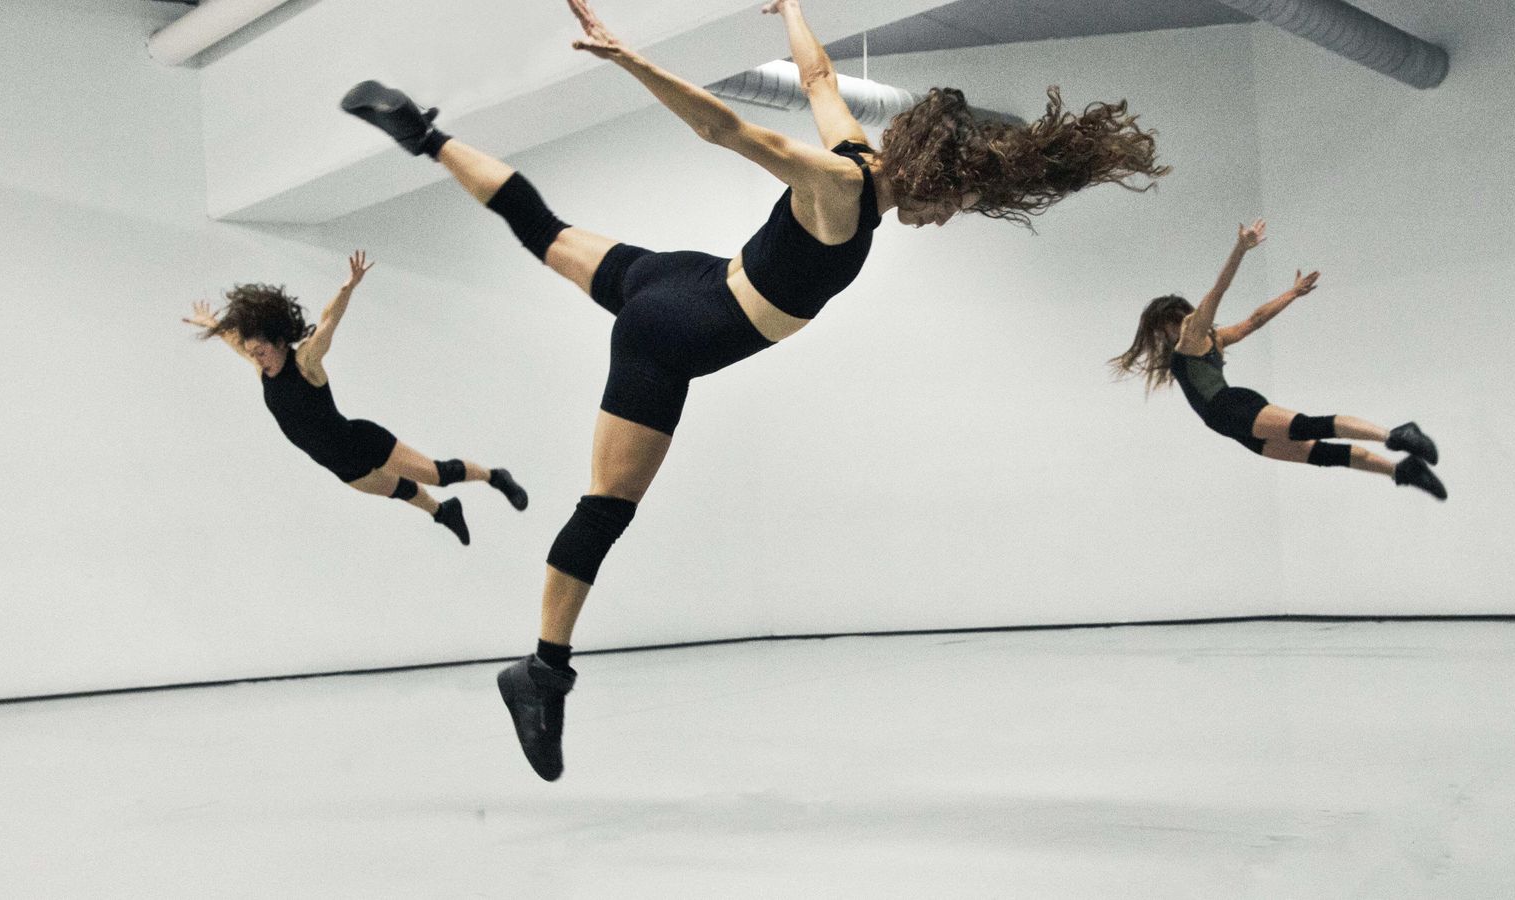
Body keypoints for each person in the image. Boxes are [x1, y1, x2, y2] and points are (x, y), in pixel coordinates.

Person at [341, 0, 1169, 780]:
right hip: (673, 335)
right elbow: (725, 127)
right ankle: (541, 674)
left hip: (682, 276)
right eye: (952, 201)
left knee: (543, 230)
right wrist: (632, 60)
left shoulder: (855, 154)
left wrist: (792, 10)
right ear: (927, 176)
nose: (948, 217)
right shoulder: (842, 189)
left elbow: (816, 81)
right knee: (605, 508)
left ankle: (426, 137)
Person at [184, 251, 530, 544]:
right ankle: (444, 512)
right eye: (252, 352)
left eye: (260, 350)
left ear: (278, 341)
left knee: (437, 474)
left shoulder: (305, 363)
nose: (256, 358)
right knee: (402, 492)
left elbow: (327, 321)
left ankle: (494, 475)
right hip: (338, 463)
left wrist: (347, 288)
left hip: (362, 442)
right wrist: (210, 323)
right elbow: (232, 339)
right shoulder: (261, 367)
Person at [1110, 220, 1446, 500]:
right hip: (1233, 428)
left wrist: (1240, 249)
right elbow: (1255, 320)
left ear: (1176, 320)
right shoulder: (1214, 339)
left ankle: (1396, 435)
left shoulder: (1192, 336)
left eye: (1163, 328)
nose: (1163, 336)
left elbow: (1218, 291)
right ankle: (1401, 470)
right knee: (1322, 455)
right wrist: (1292, 293)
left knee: (1309, 426)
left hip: (1234, 408)